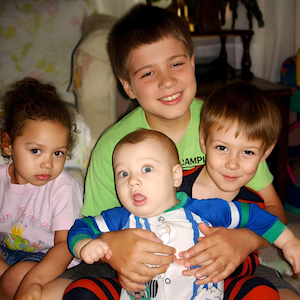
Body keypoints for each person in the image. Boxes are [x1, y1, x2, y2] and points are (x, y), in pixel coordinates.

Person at [63, 4, 290, 300]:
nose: (166, 81)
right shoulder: (114, 146)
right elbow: (93, 228)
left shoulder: (227, 127)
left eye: (176, 64)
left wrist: (243, 241)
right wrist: (116, 253)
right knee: (56, 293)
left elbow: (275, 213)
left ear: (193, 62)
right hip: (137, 273)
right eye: (147, 73)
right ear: (128, 86)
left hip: (220, 265)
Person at [67, 129, 300, 300]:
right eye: (123, 173)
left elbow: (256, 216)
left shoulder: (205, 210)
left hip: (203, 296)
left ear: (176, 176)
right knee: (82, 291)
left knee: (260, 291)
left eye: (146, 169)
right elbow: (81, 227)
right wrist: (84, 245)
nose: (133, 181)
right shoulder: (118, 217)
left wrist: (288, 241)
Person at [178, 82, 300, 298]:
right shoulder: (176, 187)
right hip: (177, 279)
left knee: (263, 292)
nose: (232, 164)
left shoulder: (253, 204)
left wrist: (291, 243)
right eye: (222, 148)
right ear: (204, 142)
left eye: (247, 152)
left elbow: (272, 226)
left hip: (235, 281)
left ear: (265, 153)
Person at [0, 78, 84, 300]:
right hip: (9, 253)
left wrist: (33, 280)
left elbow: (65, 246)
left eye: (58, 153)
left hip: (52, 260)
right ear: (8, 143)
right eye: (36, 151)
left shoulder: (63, 187)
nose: (48, 164)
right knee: (10, 276)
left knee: (15, 277)